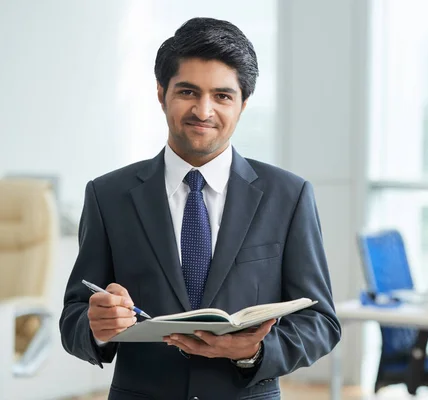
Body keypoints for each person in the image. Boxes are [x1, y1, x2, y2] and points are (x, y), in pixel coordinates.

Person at [59, 17, 341, 400]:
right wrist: (97, 326)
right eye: (188, 92)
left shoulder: (288, 196)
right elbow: (74, 317)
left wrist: (254, 352)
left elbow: (321, 321)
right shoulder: (108, 195)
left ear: (243, 104)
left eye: (222, 96)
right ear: (162, 94)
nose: (203, 111)